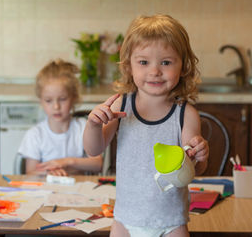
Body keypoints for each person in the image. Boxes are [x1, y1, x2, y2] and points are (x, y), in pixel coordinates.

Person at [83, 15, 209, 237]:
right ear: (129, 65)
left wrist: (200, 157)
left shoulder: (186, 115)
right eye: (143, 62)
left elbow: (192, 172)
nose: (155, 71)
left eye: (166, 62)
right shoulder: (121, 105)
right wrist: (93, 125)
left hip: (172, 223)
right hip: (125, 221)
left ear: (184, 66)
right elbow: (93, 149)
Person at [18, 59, 103, 176]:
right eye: (48, 101)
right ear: (41, 101)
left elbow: (98, 164)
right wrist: (49, 172)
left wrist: (67, 162)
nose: (56, 106)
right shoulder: (35, 135)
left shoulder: (83, 127)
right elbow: (30, 173)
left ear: (74, 98)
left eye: (62, 99)